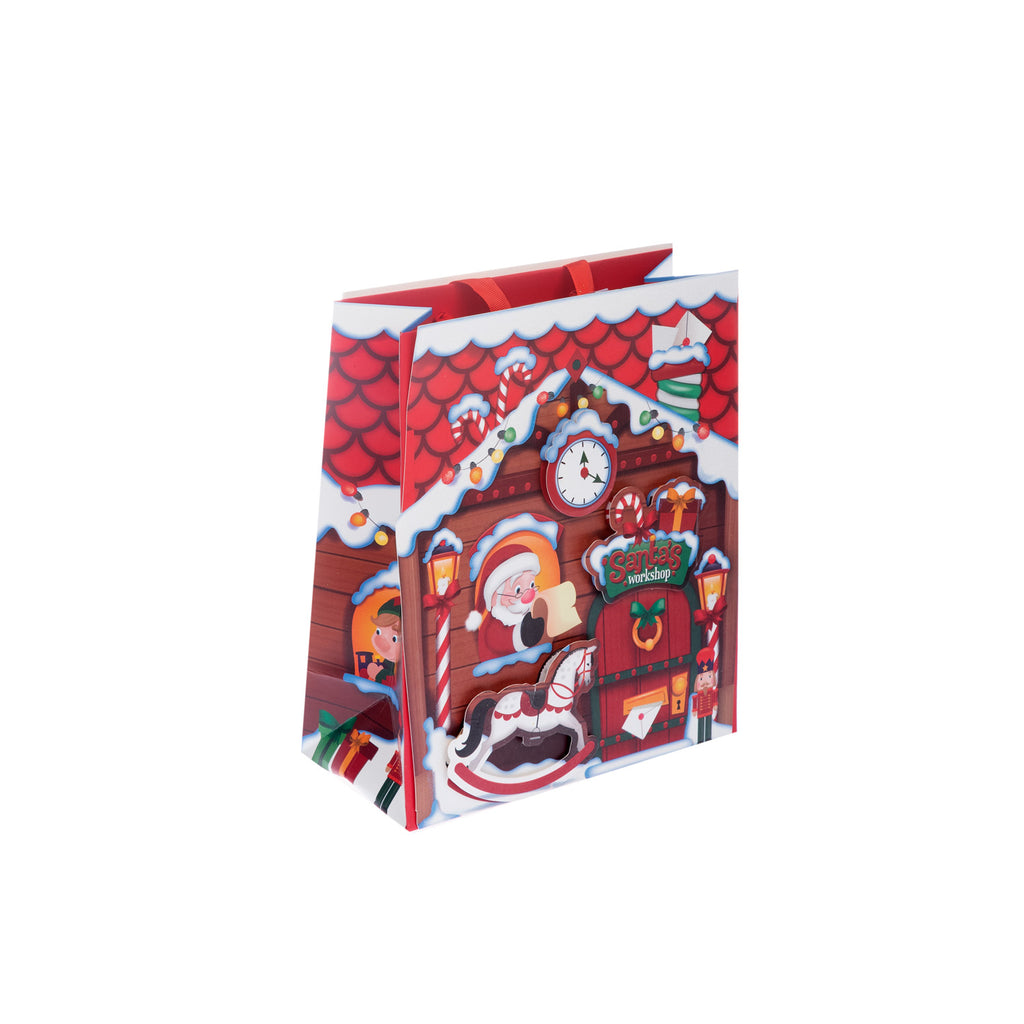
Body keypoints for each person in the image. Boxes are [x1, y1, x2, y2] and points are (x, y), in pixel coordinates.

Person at [464, 544, 546, 661]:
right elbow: (500, 640)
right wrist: (524, 634)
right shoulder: (494, 624)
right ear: (495, 597)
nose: (529, 594)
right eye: (518, 589)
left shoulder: (527, 612)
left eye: (531, 585)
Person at [367, 596, 401, 684]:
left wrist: (378, 674)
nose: (381, 643)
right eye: (378, 631)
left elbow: (393, 682)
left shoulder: (403, 666)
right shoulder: (389, 661)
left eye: (394, 639)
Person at [691, 646, 718, 744]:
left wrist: (714, 704)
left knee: (708, 723)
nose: (705, 682)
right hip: (701, 711)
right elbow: (695, 700)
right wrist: (694, 709)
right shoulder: (698, 694)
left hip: (709, 709)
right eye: (702, 679)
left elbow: (714, 697)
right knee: (701, 724)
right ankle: (700, 739)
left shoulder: (712, 691)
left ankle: (708, 737)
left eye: (709, 676)